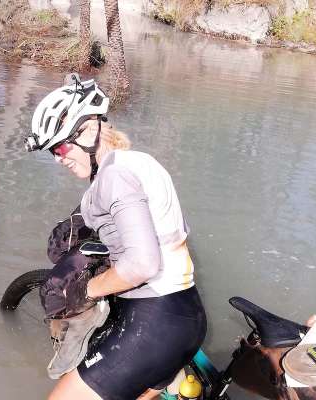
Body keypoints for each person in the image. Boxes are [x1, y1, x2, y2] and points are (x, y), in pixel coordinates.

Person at [25, 75, 207, 400]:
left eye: (61, 145)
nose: (58, 157)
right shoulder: (137, 162)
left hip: (151, 325)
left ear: (91, 129)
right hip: (185, 316)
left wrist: (86, 292)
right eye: (52, 151)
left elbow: (142, 264)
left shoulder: (115, 176)